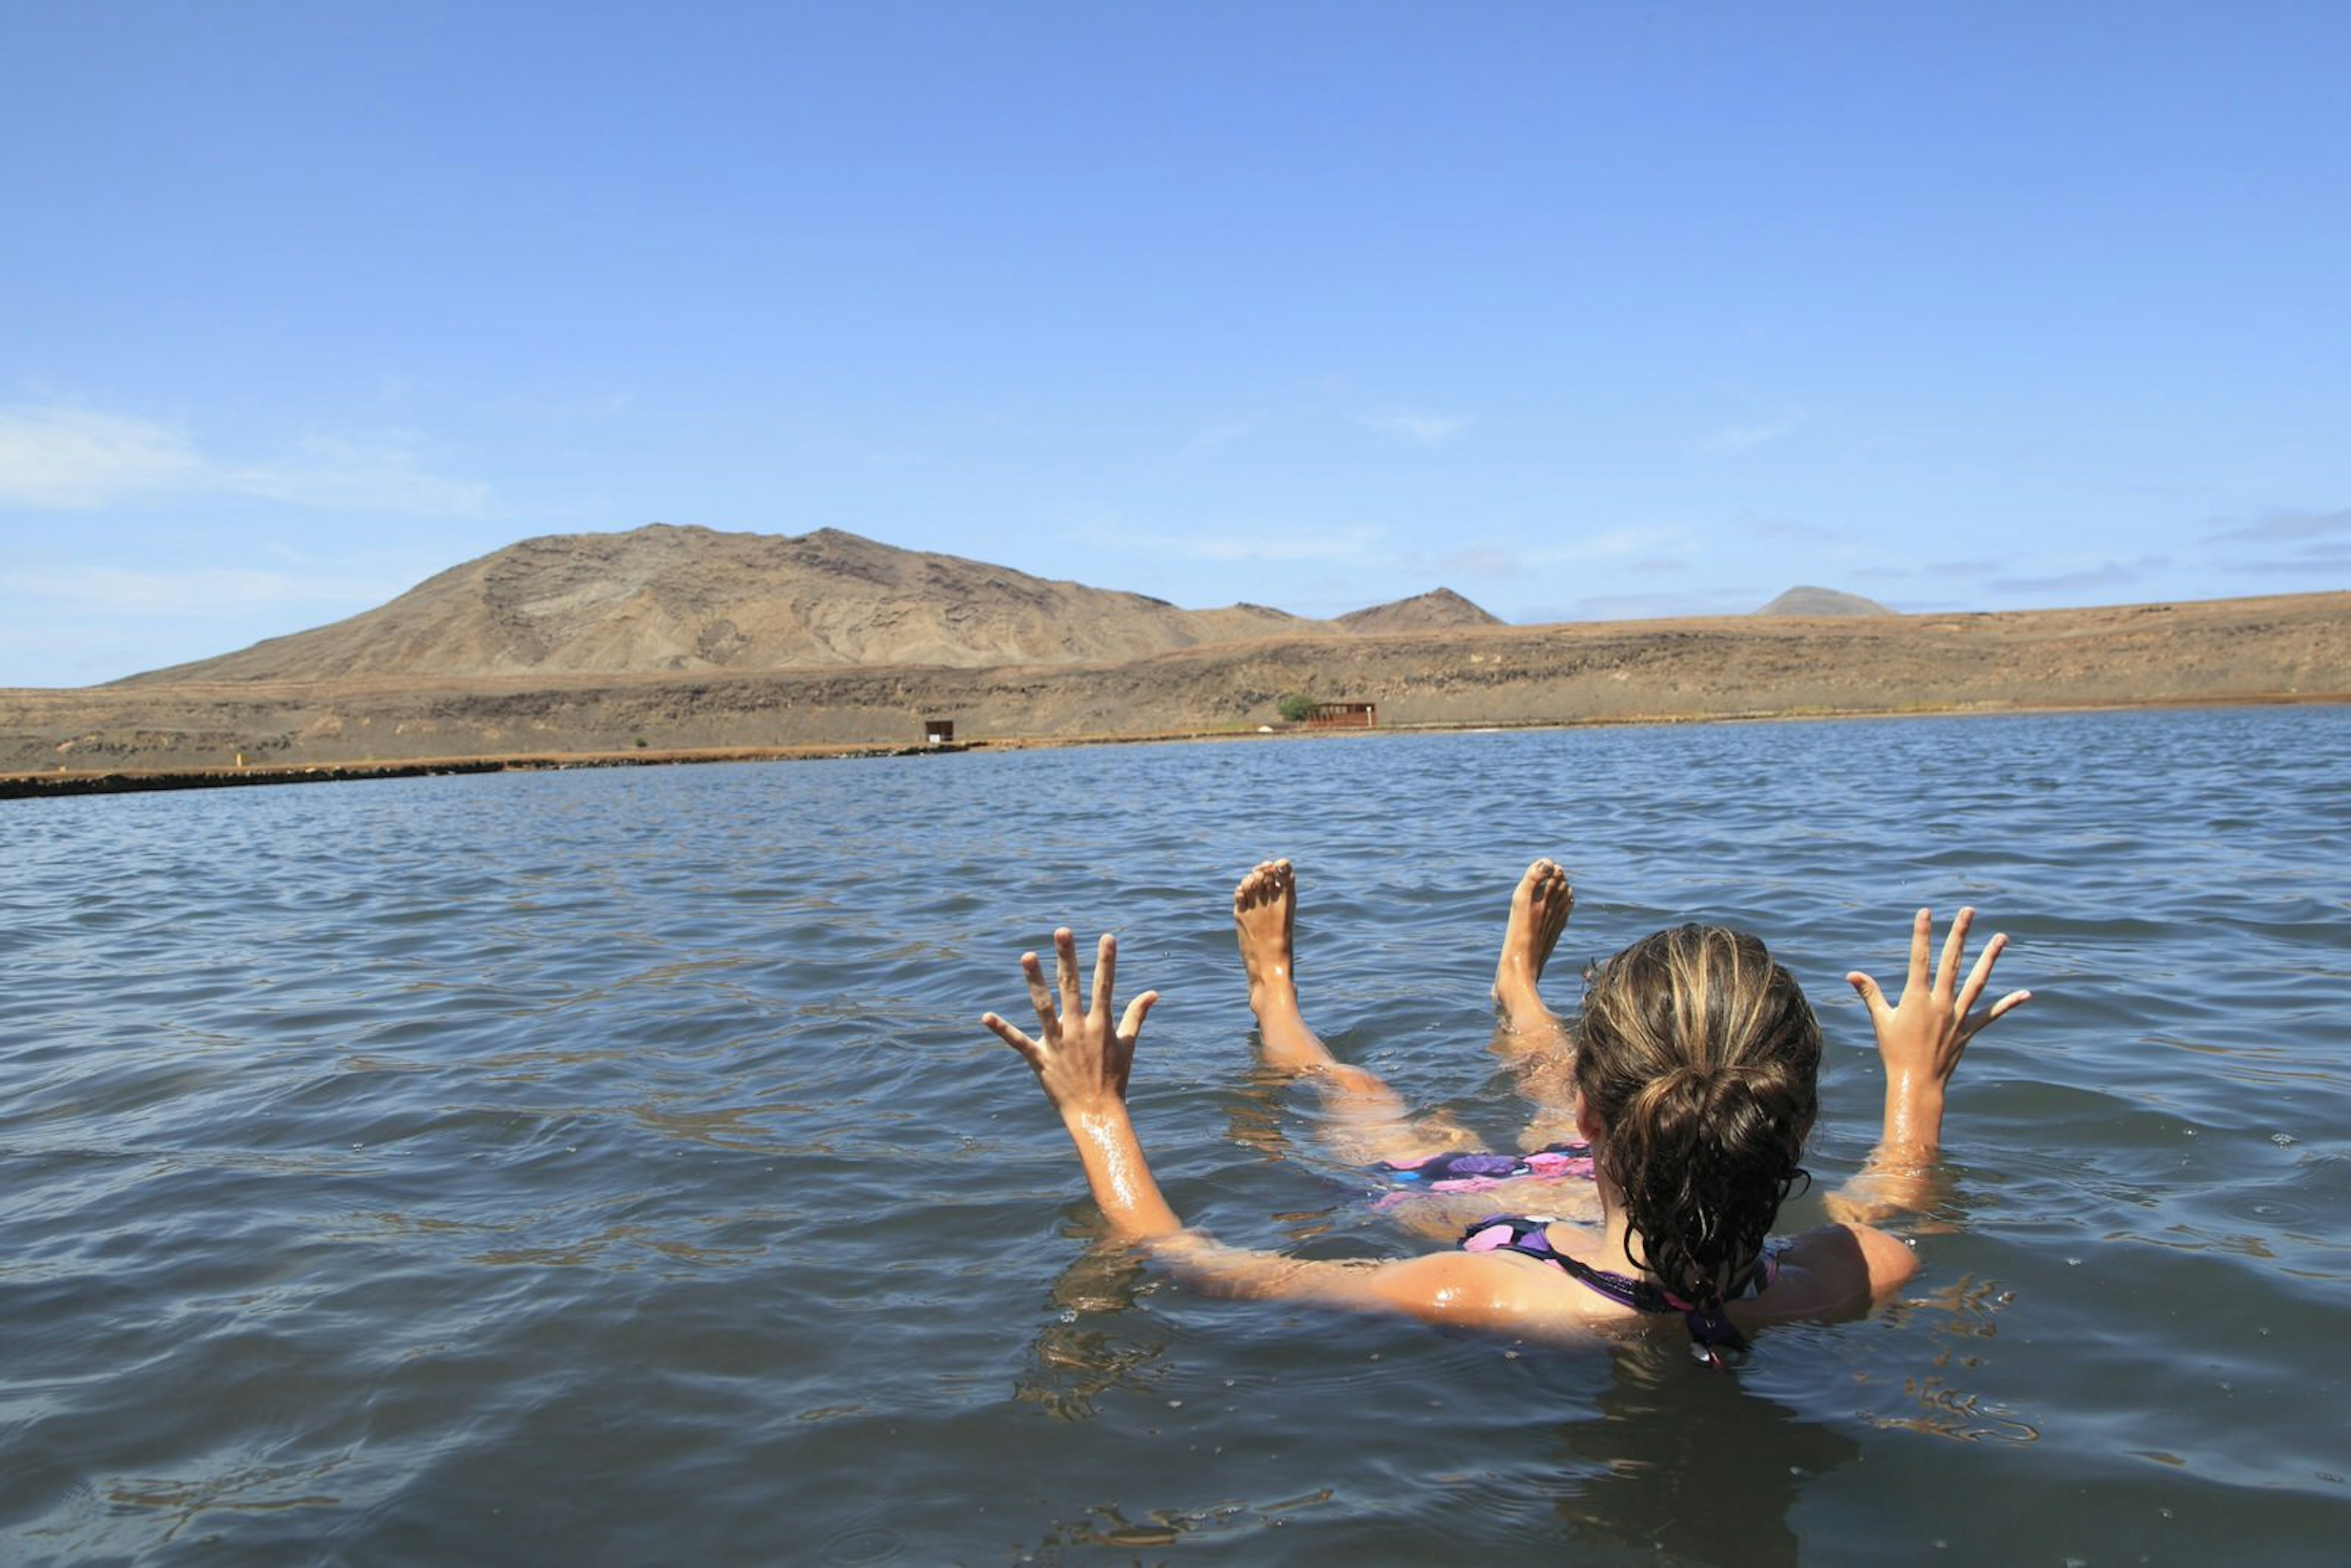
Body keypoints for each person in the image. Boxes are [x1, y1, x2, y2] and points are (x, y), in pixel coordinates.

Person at [982, 858, 2030, 1362]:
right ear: (1790, 1125)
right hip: (1621, 1172)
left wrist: (1097, 1113)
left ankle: (1279, 1001)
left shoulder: (1477, 1289)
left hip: (1492, 1208)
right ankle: (1519, 991)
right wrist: (1918, 1085)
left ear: (1595, 1115)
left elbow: (1194, 1261)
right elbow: (1899, 1194)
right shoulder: (1861, 1270)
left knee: (1366, 1096)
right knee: (1537, 1086)